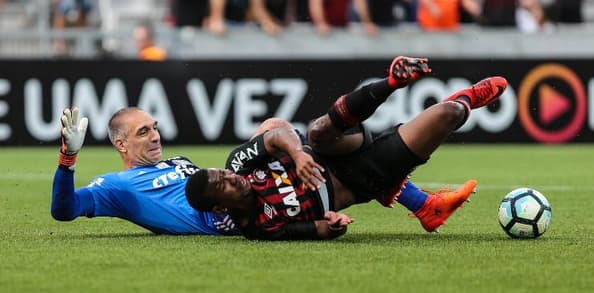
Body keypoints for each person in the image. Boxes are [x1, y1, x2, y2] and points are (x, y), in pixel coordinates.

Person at [185, 56, 508, 240]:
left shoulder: (240, 165)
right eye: (223, 184)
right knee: (447, 114)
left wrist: (297, 155)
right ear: (219, 208)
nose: (231, 177)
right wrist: (334, 226)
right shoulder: (260, 228)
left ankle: (392, 83)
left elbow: (274, 136)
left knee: (316, 130)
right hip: (363, 180)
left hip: (334, 148)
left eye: (225, 174)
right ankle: (464, 101)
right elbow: (319, 230)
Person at [50, 107, 237, 235]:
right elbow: (64, 210)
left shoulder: (178, 161)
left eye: (155, 128)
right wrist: (68, 158)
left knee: (267, 129)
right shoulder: (117, 186)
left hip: (244, 188)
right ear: (121, 145)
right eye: (143, 132)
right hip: (226, 213)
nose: (155, 137)